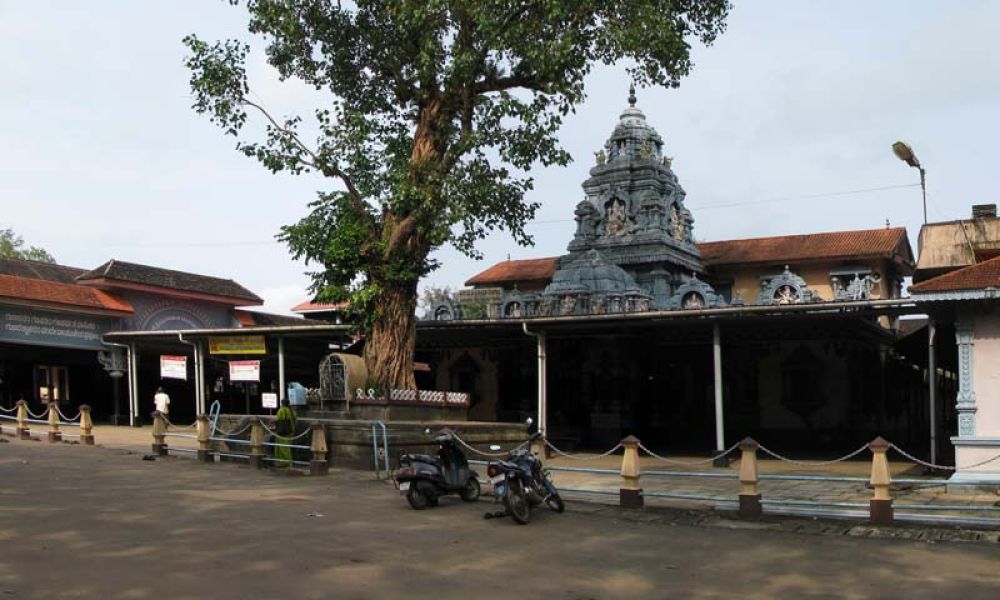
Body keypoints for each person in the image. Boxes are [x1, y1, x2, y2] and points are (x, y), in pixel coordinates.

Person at [274, 398, 296, 466]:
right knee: (288, 447)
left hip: (283, 432)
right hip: (291, 431)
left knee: (282, 447)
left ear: (282, 403)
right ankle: (288, 462)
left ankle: (284, 462)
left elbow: (278, 420)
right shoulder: (291, 410)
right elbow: (294, 419)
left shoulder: (282, 410)